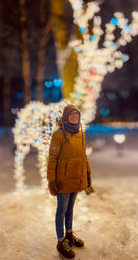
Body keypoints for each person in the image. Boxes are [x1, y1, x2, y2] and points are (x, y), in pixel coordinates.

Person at [47, 104, 92, 259]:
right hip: (63, 179)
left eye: (76, 115)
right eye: (71, 115)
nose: (74, 117)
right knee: (61, 210)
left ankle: (69, 234)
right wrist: (51, 179)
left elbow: (83, 156)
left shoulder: (81, 133)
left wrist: (87, 172)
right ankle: (61, 241)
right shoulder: (58, 134)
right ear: (66, 117)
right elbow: (52, 158)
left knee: (70, 208)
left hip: (77, 177)